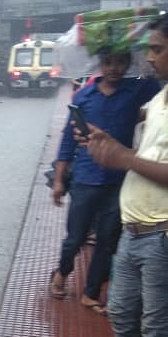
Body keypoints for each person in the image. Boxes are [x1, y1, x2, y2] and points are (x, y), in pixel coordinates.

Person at [73, 14, 168, 337]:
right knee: (124, 315)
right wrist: (107, 145)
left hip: (162, 234)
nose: (149, 59)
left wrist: (123, 158)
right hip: (135, 228)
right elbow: (142, 155)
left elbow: (137, 160)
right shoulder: (161, 98)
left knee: (159, 331)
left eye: (157, 49)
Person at [48, 49, 161, 312]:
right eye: (108, 62)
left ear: (128, 64)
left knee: (107, 241)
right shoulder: (83, 96)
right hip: (86, 179)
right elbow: (67, 140)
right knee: (74, 238)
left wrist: (145, 60)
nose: (114, 68)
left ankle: (91, 292)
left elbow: (157, 88)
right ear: (100, 64)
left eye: (121, 62)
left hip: (119, 181)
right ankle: (62, 273)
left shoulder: (137, 91)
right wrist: (59, 181)